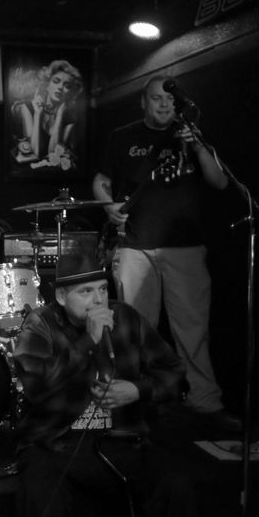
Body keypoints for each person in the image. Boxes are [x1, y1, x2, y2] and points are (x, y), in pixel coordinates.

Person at [11, 253, 197, 517]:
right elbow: (36, 388)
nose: (98, 300)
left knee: (175, 486)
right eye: (86, 292)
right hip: (56, 443)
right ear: (61, 296)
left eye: (102, 289)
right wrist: (88, 341)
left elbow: (175, 373)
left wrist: (137, 389)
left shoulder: (125, 317)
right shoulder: (40, 324)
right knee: (42, 497)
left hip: (122, 438)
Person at [92, 74, 239, 432]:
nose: (164, 104)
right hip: (135, 247)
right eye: (156, 98)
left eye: (170, 100)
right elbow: (101, 180)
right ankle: (133, 407)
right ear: (143, 102)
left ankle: (205, 403)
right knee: (133, 333)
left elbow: (220, 182)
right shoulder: (123, 136)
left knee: (192, 330)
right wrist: (108, 205)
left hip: (185, 248)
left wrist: (199, 147)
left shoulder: (191, 135)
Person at [10, 59, 83, 171]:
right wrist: (37, 115)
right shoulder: (28, 107)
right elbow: (35, 153)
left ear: (70, 93)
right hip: (27, 173)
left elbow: (54, 156)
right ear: (47, 84)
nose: (60, 87)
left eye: (67, 86)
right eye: (56, 81)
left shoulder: (69, 120)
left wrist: (59, 116)